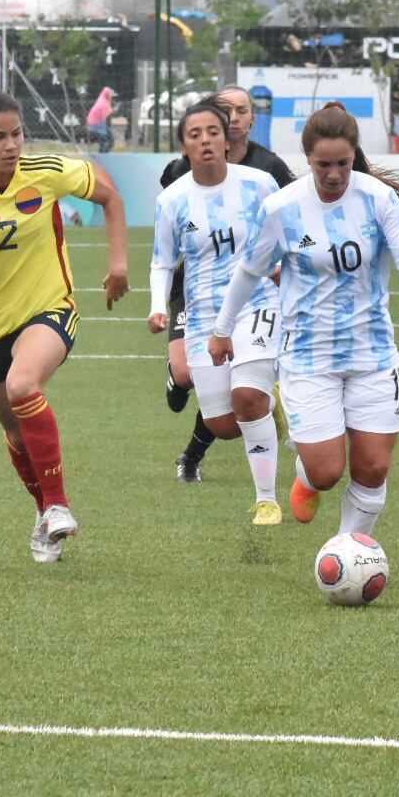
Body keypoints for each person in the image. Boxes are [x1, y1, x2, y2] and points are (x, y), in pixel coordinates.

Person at [209, 102, 399, 540]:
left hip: (372, 353)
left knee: (374, 466)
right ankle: (308, 478)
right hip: (308, 356)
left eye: (343, 164)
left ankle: (348, 549)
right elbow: (249, 272)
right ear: (307, 159)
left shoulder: (377, 198)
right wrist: (221, 331)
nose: (334, 174)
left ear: (355, 157)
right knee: (328, 470)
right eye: (323, 165)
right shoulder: (281, 207)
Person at [0, 91, 130, 563]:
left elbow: (110, 197)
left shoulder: (48, 171)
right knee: (17, 434)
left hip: (49, 309)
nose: (11, 145)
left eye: (16, 133)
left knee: (24, 385)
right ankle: (45, 515)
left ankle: (58, 503)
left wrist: (118, 265)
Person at [148, 102, 283, 525]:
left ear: (228, 140)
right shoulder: (172, 200)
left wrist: (287, 269)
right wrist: (157, 307)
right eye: (194, 135)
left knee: (247, 395)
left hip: (257, 303)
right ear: (184, 147)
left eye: (212, 132)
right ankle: (274, 402)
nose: (205, 140)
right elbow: (162, 262)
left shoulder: (260, 183)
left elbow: (289, 229)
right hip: (204, 315)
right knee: (223, 422)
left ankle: (267, 500)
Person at [86, 86, 115, 153]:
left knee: (102, 140)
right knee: (110, 141)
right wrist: (112, 111)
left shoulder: (101, 99)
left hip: (95, 122)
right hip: (97, 123)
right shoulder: (104, 102)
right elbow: (104, 114)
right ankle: (103, 154)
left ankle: (101, 152)